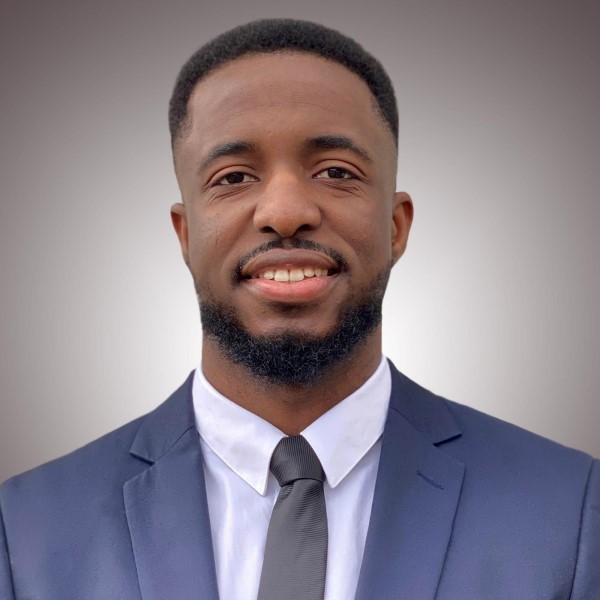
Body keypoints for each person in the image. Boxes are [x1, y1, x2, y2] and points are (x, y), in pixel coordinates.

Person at [0, 18, 598, 600]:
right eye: (234, 177)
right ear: (185, 235)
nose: (285, 211)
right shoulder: (24, 529)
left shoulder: (571, 510)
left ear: (396, 227)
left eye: (336, 172)